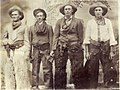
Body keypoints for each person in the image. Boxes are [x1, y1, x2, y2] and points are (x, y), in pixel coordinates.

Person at [83, 2, 117, 88]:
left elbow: (111, 35)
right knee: (93, 67)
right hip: (93, 47)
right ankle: (93, 86)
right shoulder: (90, 22)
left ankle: (108, 85)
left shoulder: (108, 22)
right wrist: (87, 52)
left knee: (107, 67)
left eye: (99, 10)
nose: (98, 12)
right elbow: (87, 37)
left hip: (105, 47)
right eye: (96, 10)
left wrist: (112, 50)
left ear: (102, 11)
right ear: (94, 12)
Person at [50, 3, 84, 89]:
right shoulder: (59, 22)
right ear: (63, 11)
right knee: (59, 68)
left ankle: (79, 87)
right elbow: (56, 36)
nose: (67, 11)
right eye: (66, 9)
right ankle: (60, 88)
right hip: (61, 47)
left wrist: (78, 45)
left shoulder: (78, 21)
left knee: (77, 68)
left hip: (74, 47)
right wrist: (53, 49)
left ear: (72, 11)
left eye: (69, 9)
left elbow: (81, 36)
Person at [2, 5, 31, 90]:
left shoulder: (25, 27)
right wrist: (5, 42)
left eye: (16, 14)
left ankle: (22, 88)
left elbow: (27, 41)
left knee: (21, 72)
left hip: (20, 50)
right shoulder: (8, 26)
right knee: (9, 72)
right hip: (9, 51)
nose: (14, 16)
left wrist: (27, 53)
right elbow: (5, 37)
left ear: (20, 16)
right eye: (12, 15)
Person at [29, 8, 53, 90]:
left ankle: (48, 86)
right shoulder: (31, 28)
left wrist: (52, 51)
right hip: (35, 50)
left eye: (41, 16)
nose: (39, 17)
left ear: (44, 17)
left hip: (46, 49)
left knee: (47, 69)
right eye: (37, 16)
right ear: (35, 17)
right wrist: (29, 53)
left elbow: (51, 39)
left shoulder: (49, 27)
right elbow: (29, 41)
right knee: (35, 69)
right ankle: (35, 86)